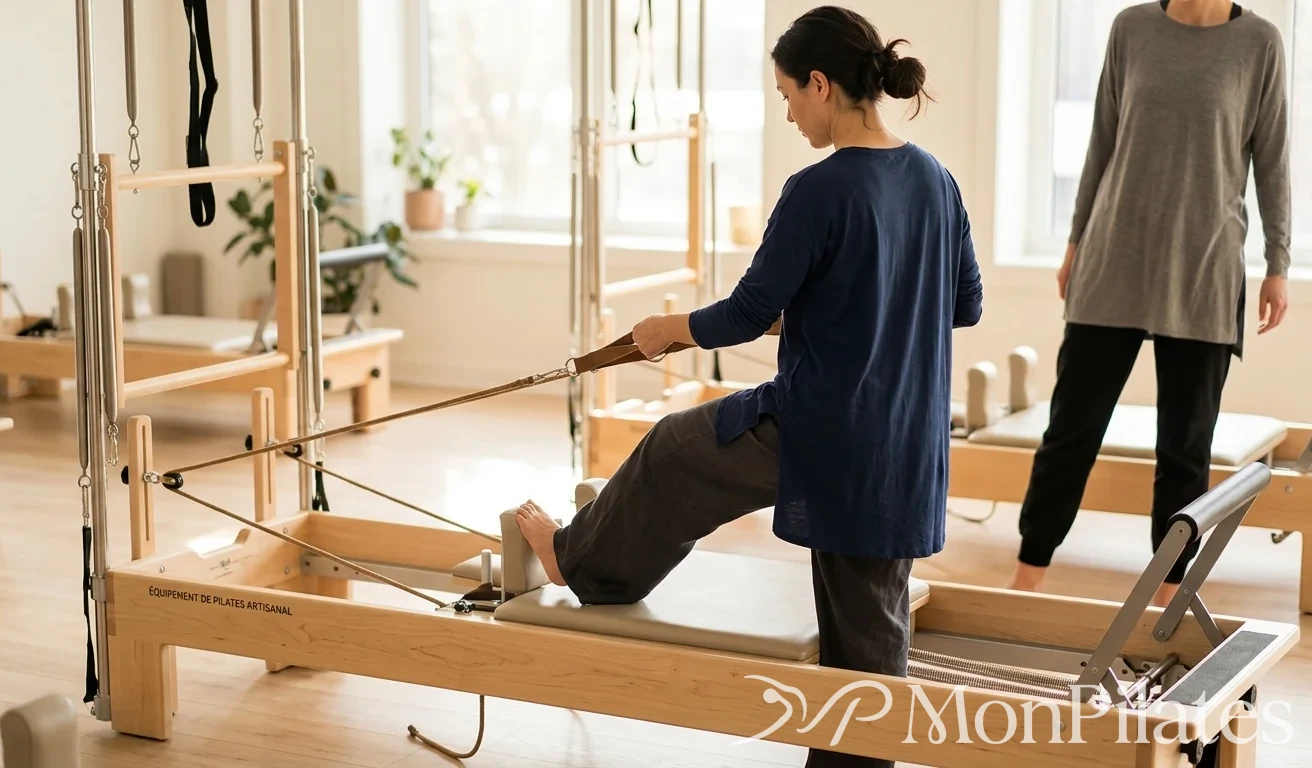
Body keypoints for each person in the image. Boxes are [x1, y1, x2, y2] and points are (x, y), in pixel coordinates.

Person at [515, 7, 982, 766]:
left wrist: (670, 327)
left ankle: (583, 562)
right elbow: (960, 304)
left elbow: (745, 314)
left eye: (789, 94)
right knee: (866, 618)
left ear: (822, 85)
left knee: (680, 456)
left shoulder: (819, 189)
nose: (790, 112)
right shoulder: (936, 179)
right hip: (906, 435)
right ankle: (591, 560)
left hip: (828, 429)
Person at [1005, 0, 1292, 605]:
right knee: (1070, 432)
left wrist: (1278, 263)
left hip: (1204, 266)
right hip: (1114, 258)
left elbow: (1272, 158)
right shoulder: (1131, 27)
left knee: (1185, 449)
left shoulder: (1260, 43)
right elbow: (1101, 142)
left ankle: (1168, 599)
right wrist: (1076, 241)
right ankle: (1027, 578)